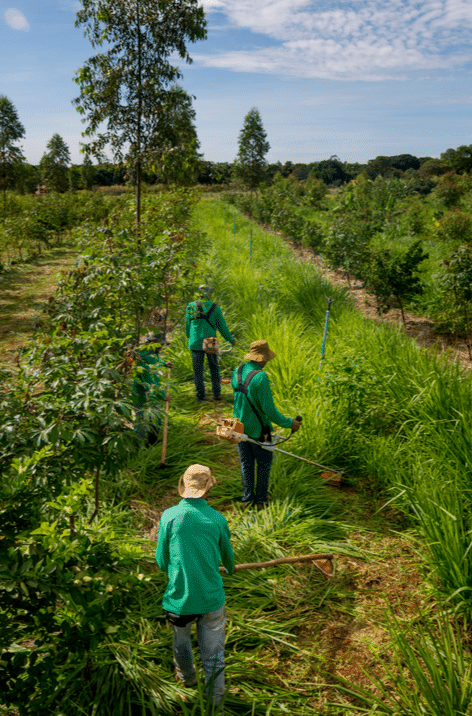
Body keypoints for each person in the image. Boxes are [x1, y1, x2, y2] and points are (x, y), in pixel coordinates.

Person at [156, 464, 236, 711]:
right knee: (213, 657)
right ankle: (216, 706)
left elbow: (161, 560)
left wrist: (177, 569)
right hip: (211, 598)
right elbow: (229, 560)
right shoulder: (217, 519)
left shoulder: (169, 516)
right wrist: (228, 568)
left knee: (181, 641)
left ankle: (187, 677)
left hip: (179, 599)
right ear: (208, 488)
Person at [231, 340, 301, 510]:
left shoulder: (237, 371)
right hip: (261, 431)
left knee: (246, 465)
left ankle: (247, 500)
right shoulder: (260, 377)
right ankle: (260, 501)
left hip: (238, 427)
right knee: (263, 466)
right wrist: (290, 423)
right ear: (262, 358)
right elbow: (270, 411)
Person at [184, 285, 236, 402]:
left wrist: (191, 338)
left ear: (198, 294)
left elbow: (187, 326)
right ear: (209, 294)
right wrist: (231, 340)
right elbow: (222, 327)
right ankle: (217, 394)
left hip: (195, 342)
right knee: (214, 368)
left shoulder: (191, 307)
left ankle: (200, 396)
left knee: (198, 370)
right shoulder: (215, 308)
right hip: (210, 342)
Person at [131, 332, 171, 445]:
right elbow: (148, 380)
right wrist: (163, 395)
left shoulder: (152, 352)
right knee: (141, 424)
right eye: (161, 344)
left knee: (155, 420)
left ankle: (151, 446)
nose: (162, 346)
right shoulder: (143, 356)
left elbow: (155, 363)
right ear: (153, 343)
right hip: (143, 395)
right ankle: (138, 449)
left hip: (153, 396)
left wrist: (164, 363)